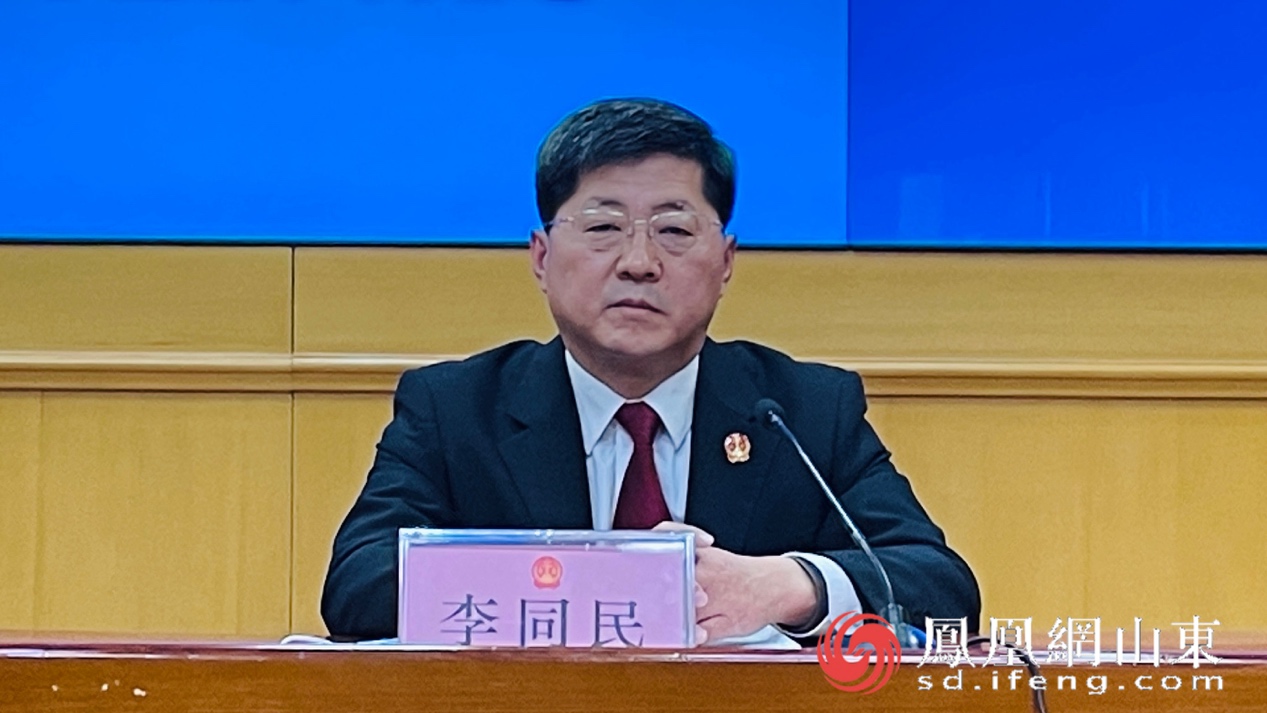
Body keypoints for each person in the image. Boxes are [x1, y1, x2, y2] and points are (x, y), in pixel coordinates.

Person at [322, 98, 979, 644]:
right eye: (603, 227)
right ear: (542, 257)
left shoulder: (802, 410)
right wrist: (598, 583)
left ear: (725, 262)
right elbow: (357, 586)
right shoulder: (455, 407)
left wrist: (780, 585)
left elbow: (940, 587)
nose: (638, 262)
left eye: (673, 231)